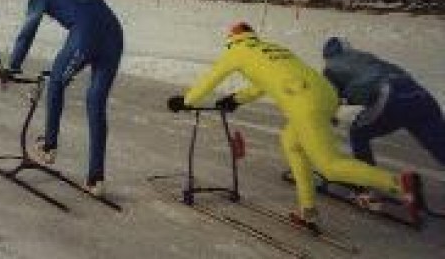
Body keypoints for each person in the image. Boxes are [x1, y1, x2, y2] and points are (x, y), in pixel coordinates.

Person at [167, 22, 424, 225]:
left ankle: (397, 183)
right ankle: (307, 209)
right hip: (325, 94)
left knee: (330, 166)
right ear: (252, 35)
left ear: (231, 40)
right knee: (291, 141)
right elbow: (265, 82)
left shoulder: (237, 51)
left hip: (303, 102)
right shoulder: (274, 49)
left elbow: (212, 77)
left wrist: (187, 101)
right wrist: (236, 99)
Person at [2, 0, 124, 196]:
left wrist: (12, 66)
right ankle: (96, 178)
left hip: (86, 37)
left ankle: (49, 146)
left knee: (56, 80)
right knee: (96, 104)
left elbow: (27, 32)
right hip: (115, 36)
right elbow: (91, 11)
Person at [322, 37, 445, 168]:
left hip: (390, 94)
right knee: (439, 146)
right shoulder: (367, 57)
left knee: (358, 133)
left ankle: (367, 179)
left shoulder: (330, 68)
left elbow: (330, 95)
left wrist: (329, 116)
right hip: (420, 95)